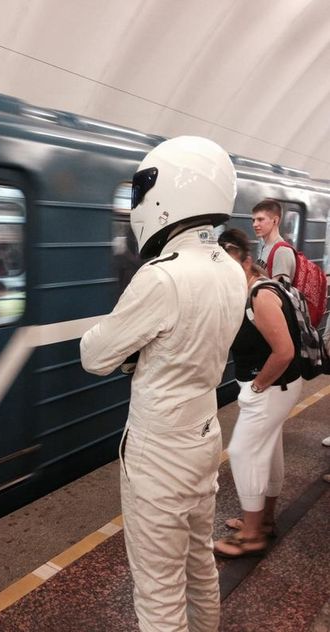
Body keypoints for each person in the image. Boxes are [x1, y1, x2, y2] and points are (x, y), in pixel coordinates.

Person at [80, 136, 247, 632]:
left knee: (157, 591)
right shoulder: (231, 269)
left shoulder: (162, 276)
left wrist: (126, 348)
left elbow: (94, 355)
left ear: (165, 194)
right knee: (199, 565)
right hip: (203, 433)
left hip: (159, 450)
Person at [213, 228, 303, 558]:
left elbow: (284, 352)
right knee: (267, 448)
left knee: (243, 452)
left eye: (232, 265)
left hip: (271, 387)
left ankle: (251, 535)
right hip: (277, 387)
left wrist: (256, 386)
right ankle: (263, 519)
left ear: (248, 262)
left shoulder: (260, 296)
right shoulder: (249, 289)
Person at [253, 199, 296, 282]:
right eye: (253, 220)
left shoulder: (282, 251)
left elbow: (278, 292)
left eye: (260, 219)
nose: (254, 224)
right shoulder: (265, 247)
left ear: (275, 221)